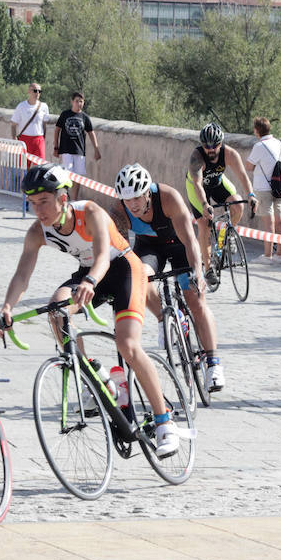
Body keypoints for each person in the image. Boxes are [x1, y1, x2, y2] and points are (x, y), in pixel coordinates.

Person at [0, 163, 182, 457]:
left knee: (127, 344)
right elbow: (22, 275)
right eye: (32, 203)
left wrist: (92, 280)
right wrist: (6, 306)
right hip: (89, 273)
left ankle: (164, 421)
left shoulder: (90, 211)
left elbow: (104, 255)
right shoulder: (37, 231)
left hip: (123, 269)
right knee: (57, 309)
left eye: (44, 201)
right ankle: (97, 376)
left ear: (63, 199)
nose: (38, 210)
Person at [110, 163, 225, 392]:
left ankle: (213, 363)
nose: (132, 204)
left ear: (147, 193)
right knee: (139, 276)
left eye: (136, 198)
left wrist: (197, 273)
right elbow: (120, 253)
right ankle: (165, 318)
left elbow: (191, 241)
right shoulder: (119, 211)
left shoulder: (168, 197)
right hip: (149, 248)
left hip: (179, 245)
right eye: (127, 199)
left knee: (195, 299)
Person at [186, 122, 255, 285]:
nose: (210, 149)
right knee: (205, 224)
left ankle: (227, 234)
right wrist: (204, 205)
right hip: (198, 189)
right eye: (206, 146)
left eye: (215, 146)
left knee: (238, 204)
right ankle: (208, 269)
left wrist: (251, 195)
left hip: (217, 183)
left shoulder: (230, 154)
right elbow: (197, 185)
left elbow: (243, 176)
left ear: (221, 143)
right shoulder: (197, 157)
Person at [245, 117, 281, 264]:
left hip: (263, 188)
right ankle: (280, 254)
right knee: (280, 221)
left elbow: (249, 166)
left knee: (268, 223)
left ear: (257, 130)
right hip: (280, 187)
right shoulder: (279, 143)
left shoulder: (259, 146)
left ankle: (268, 255)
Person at [53, 92, 101, 199]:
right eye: (77, 101)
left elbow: (91, 133)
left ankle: (74, 199)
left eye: (81, 101)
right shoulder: (65, 114)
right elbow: (57, 130)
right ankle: (64, 195)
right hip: (66, 149)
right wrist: (56, 147)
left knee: (78, 177)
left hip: (79, 150)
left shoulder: (85, 117)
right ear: (72, 102)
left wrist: (96, 149)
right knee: (67, 174)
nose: (79, 103)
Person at [10, 82, 48, 162]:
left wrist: (43, 139)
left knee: (40, 165)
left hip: (39, 139)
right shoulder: (21, 106)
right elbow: (13, 124)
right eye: (35, 90)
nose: (37, 93)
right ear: (29, 91)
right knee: (24, 166)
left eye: (39, 91)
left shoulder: (44, 106)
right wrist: (14, 140)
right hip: (24, 139)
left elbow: (44, 124)